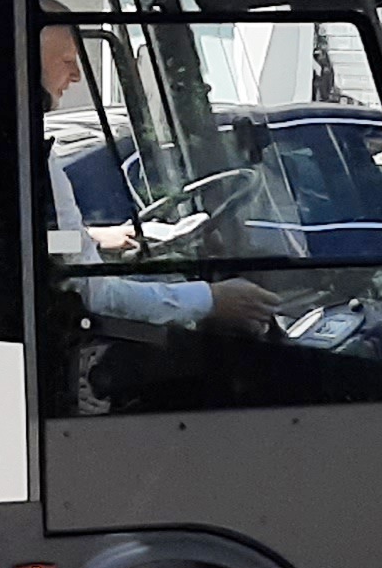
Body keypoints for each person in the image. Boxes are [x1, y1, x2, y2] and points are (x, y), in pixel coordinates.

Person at [34, 19, 271, 336]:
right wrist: (210, 299)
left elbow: (39, 244)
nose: (76, 75)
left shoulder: (3, 140)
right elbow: (94, 293)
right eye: (67, 61)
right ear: (27, 59)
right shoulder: (31, 154)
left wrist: (98, 237)